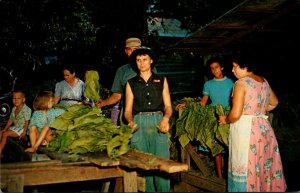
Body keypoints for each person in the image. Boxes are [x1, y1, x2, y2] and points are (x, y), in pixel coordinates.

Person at [218, 54, 286, 192]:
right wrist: (257, 111)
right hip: (264, 129)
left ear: (245, 66)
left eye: (235, 66)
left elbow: (236, 114)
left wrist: (225, 119)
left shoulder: (241, 83)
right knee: (263, 164)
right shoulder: (263, 81)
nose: (232, 70)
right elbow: (274, 103)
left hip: (246, 131)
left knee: (245, 164)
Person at [176, 56, 234, 178]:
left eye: (217, 68)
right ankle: (219, 176)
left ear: (222, 67)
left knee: (230, 147)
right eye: (212, 69)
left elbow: (234, 102)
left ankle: (230, 174)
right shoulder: (208, 84)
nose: (215, 71)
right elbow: (203, 102)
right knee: (215, 147)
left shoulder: (231, 83)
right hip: (213, 117)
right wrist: (187, 105)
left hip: (228, 116)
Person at [124, 47, 172, 192]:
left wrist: (166, 118)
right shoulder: (130, 83)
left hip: (158, 122)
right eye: (138, 60)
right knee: (144, 168)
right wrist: (131, 122)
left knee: (162, 165)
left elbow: (168, 106)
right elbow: (127, 111)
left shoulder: (161, 80)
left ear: (151, 61)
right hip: (139, 124)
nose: (141, 63)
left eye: (144, 59)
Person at [96, 37, 157, 125]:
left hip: (147, 114)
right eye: (129, 49)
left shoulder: (151, 68)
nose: (132, 52)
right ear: (126, 51)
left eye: (135, 49)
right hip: (128, 114)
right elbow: (117, 95)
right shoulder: (122, 71)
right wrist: (102, 103)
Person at [0, 90, 32, 158]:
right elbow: (11, 120)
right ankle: (2, 151)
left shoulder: (26, 109)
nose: (16, 100)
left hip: (22, 129)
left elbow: (27, 122)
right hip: (15, 127)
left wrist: (24, 133)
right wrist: (5, 129)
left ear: (23, 99)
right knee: (1, 132)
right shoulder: (14, 108)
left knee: (5, 134)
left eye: (18, 98)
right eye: (14, 98)